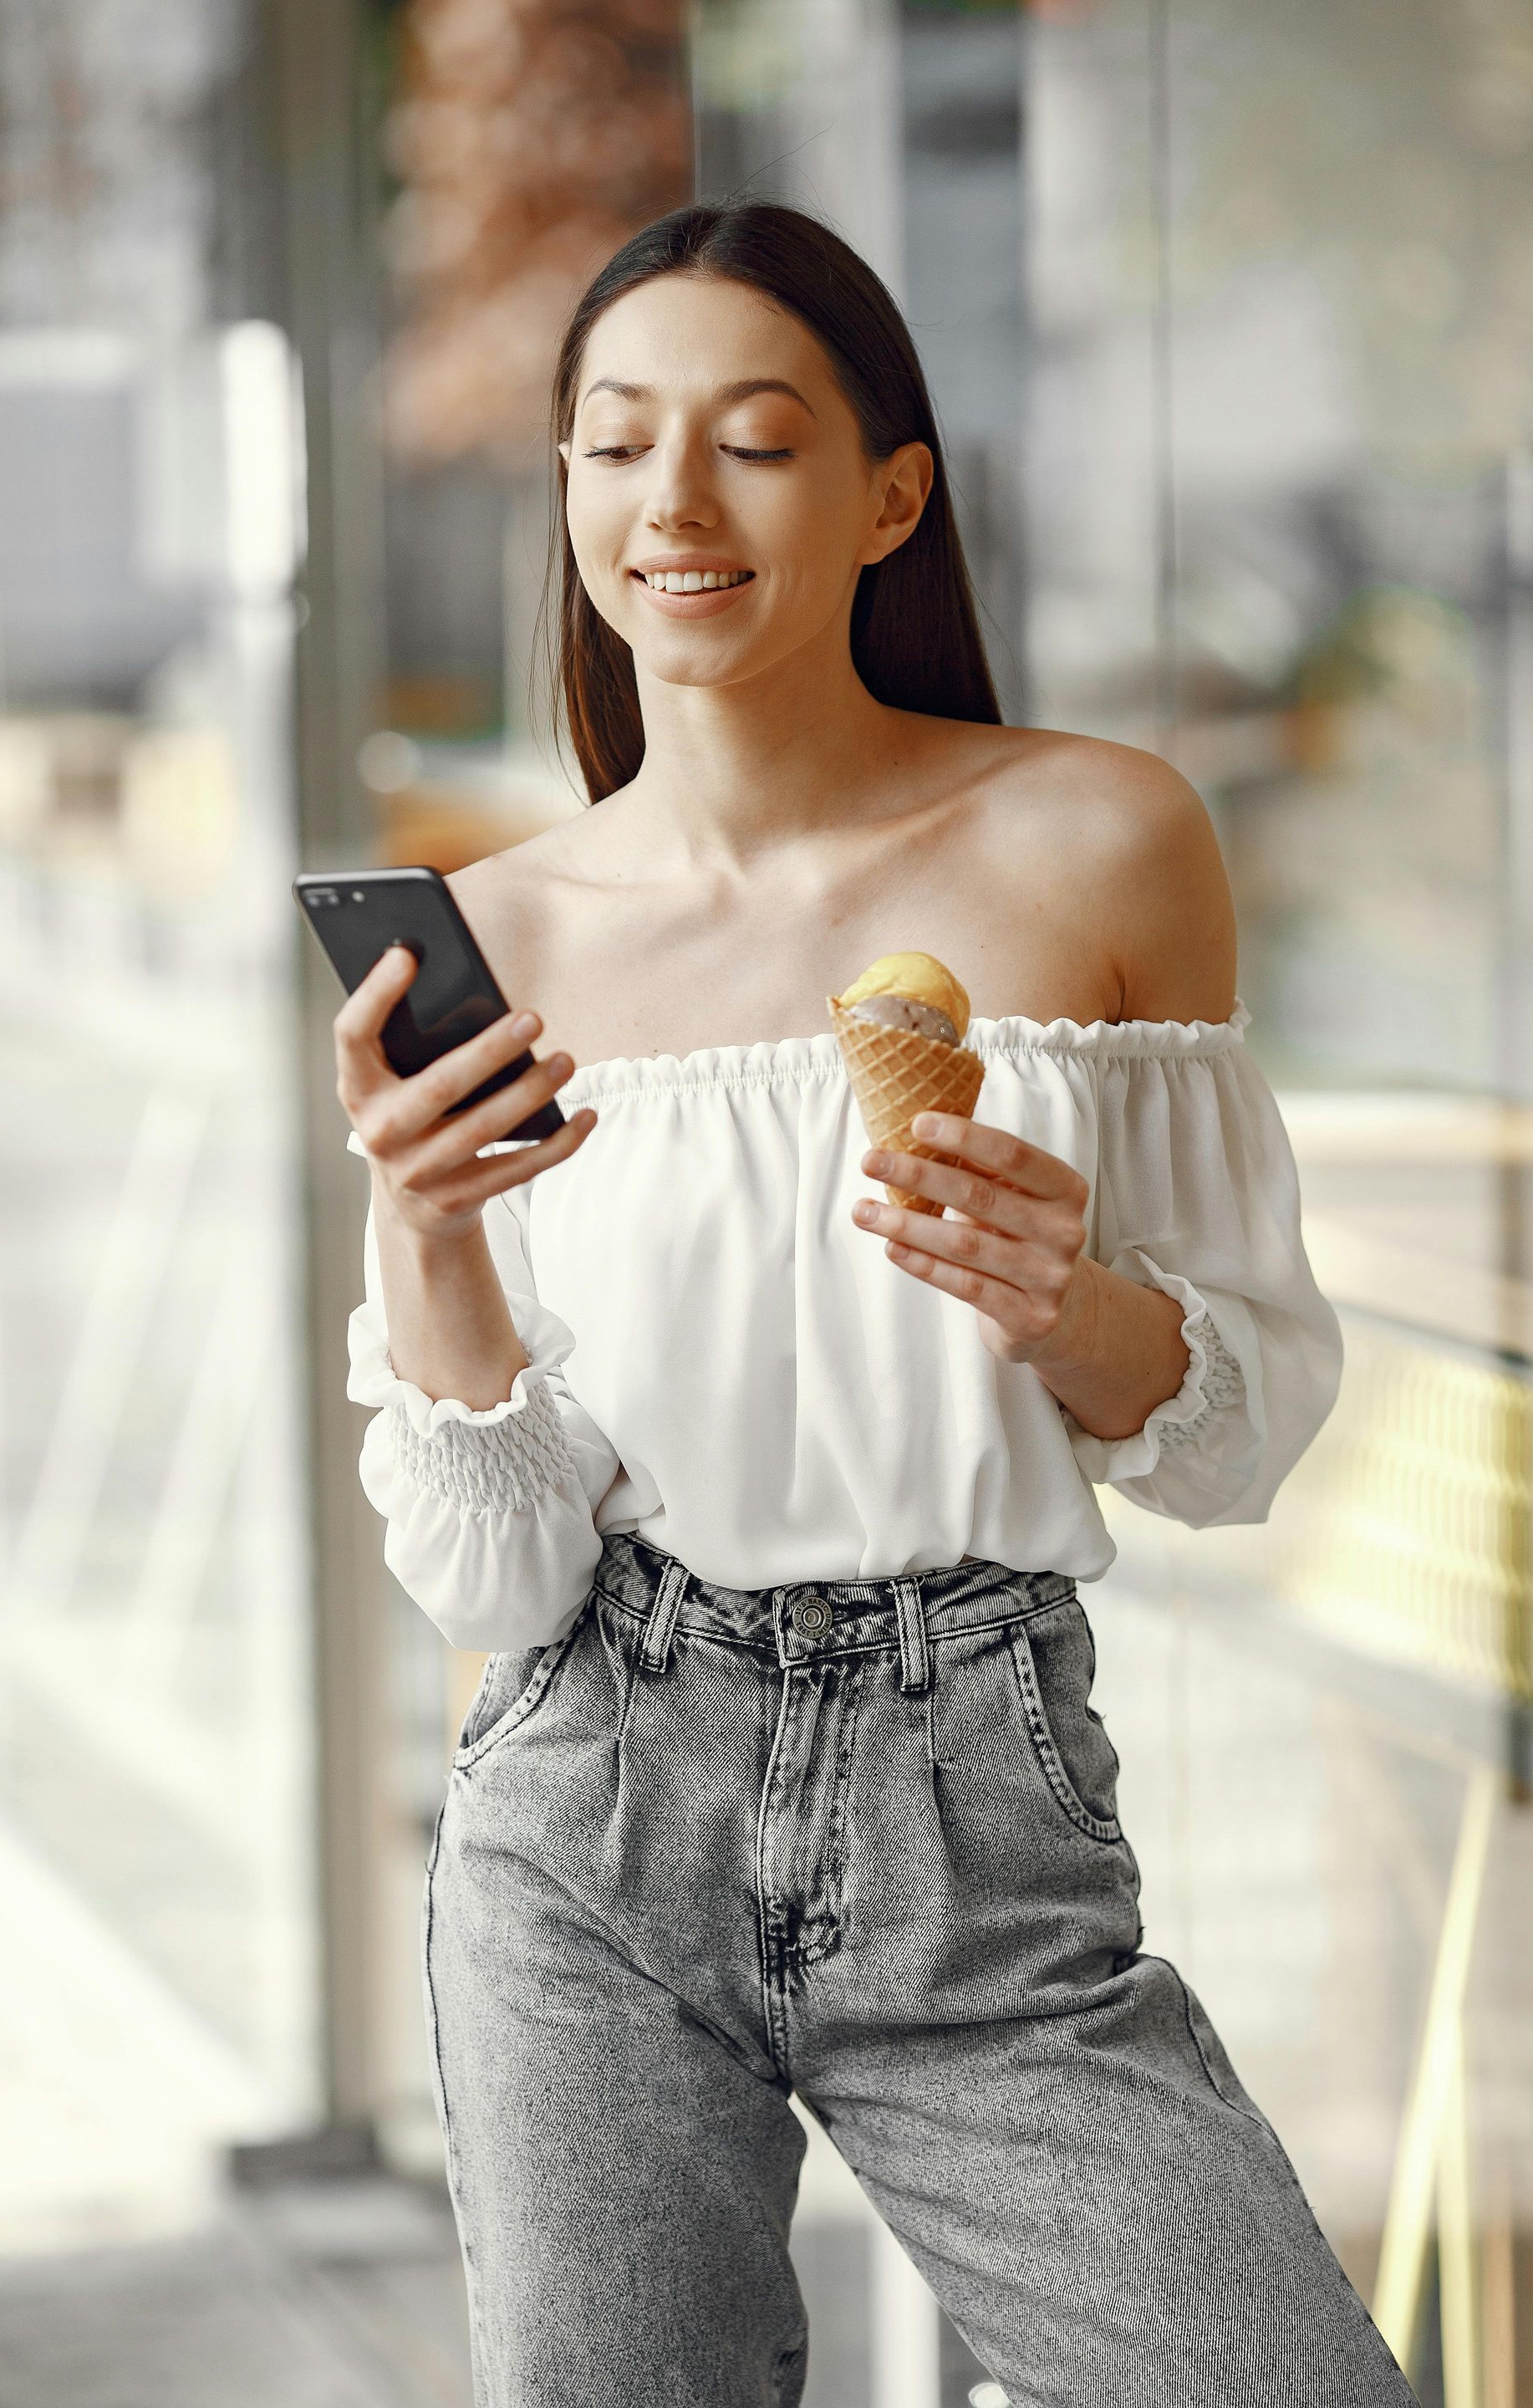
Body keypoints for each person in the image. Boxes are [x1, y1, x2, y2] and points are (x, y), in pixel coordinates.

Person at [333, 202, 1416, 2408]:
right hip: (591, 1813)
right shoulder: (488, 934)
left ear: (890, 495)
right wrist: (427, 1234)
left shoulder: (1101, 846)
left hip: (979, 1813)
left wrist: (1068, 1307)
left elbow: (1245, 1421)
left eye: (753, 441)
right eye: (618, 444)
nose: (676, 504)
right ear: (565, 493)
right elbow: (493, 1562)